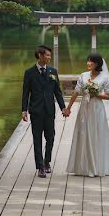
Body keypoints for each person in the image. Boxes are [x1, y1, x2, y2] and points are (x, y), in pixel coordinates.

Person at [63, 53, 109, 177]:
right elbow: (76, 92)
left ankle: (97, 166)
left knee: (96, 134)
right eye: (88, 61)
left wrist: (96, 94)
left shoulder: (104, 77)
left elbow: (108, 96)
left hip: (97, 109)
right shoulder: (83, 76)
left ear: (97, 64)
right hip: (84, 108)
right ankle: (82, 167)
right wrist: (68, 108)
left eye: (91, 61)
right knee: (83, 134)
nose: (88, 63)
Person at [22, 44, 68, 178]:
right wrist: (24, 110)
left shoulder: (53, 72)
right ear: (40, 56)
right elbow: (25, 93)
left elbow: (57, 92)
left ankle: (47, 161)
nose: (49, 57)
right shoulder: (29, 73)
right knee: (37, 139)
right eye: (47, 55)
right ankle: (40, 166)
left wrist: (63, 108)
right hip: (36, 111)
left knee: (50, 137)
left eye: (50, 55)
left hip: (49, 110)